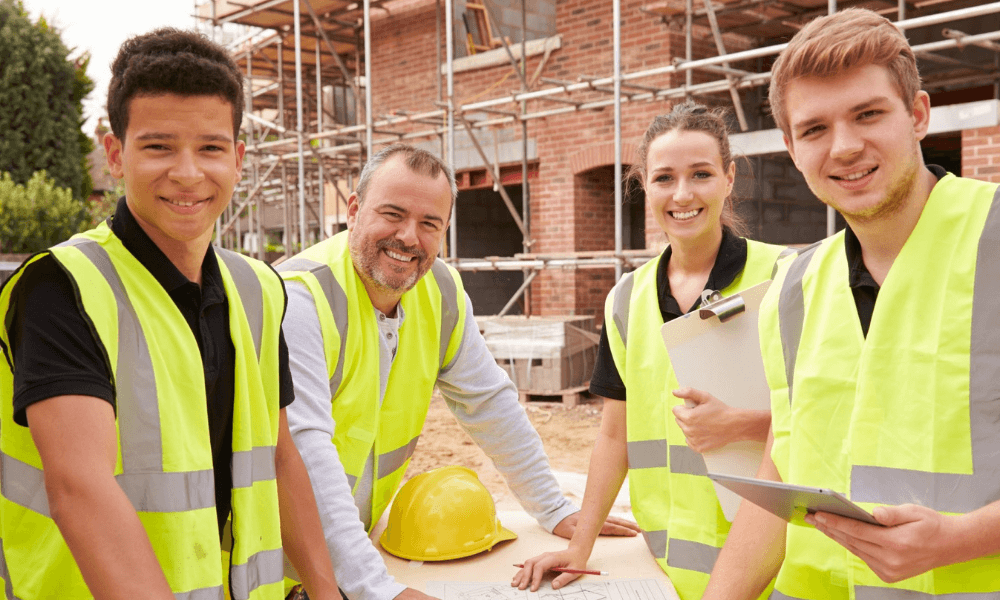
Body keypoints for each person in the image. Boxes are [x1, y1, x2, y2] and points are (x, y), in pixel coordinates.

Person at [0, 28, 338, 600]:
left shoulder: (258, 289)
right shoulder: (61, 288)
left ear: (238, 158)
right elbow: (80, 487)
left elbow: (280, 458)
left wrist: (328, 592)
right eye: (158, 147)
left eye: (209, 147)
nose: (187, 173)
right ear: (115, 154)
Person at [701, 8, 1000, 599]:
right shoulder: (792, 289)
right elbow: (780, 470)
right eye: (814, 129)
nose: (844, 146)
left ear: (917, 116)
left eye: (868, 114)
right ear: (790, 146)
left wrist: (966, 537)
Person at [278, 143, 640, 600]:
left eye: (430, 224)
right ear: (353, 210)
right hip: (273, 567)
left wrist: (552, 507)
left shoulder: (440, 291)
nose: (409, 237)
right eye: (392, 214)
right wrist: (375, 588)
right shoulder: (300, 298)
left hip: (344, 561)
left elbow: (489, 403)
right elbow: (305, 452)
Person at [512, 102, 790, 600]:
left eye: (701, 174)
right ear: (644, 185)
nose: (682, 194)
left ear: (729, 178)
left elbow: (830, 420)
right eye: (664, 178)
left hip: (768, 570)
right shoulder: (625, 300)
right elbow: (613, 437)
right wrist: (581, 545)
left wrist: (744, 424)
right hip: (664, 570)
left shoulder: (786, 278)